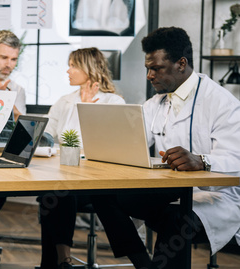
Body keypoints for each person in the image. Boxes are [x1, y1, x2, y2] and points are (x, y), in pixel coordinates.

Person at [91, 27, 240, 269]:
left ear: (181, 64)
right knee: (103, 192)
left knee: (176, 220)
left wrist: (202, 160)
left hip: (215, 197)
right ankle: (143, 265)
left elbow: (236, 161)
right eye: (147, 68)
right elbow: (131, 142)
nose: (149, 75)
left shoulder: (223, 103)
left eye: (156, 68)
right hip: (169, 190)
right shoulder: (156, 102)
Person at [38, 47, 125, 269]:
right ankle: (60, 261)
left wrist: (86, 109)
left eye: (74, 65)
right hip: (67, 175)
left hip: (98, 181)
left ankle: (58, 261)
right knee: (55, 191)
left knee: (59, 191)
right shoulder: (65, 101)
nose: (68, 70)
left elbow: (108, 146)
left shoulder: (113, 103)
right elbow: (47, 133)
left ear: (89, 68)